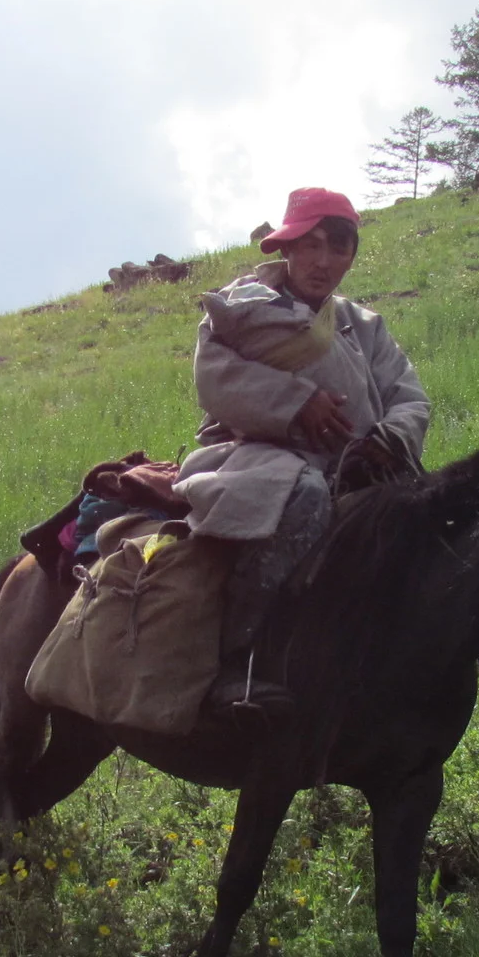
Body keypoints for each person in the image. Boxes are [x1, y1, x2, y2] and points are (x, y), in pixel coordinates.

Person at [177, 187, 430, 714]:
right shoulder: (240, 309)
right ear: (285, 249)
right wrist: (296, 404)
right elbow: (214, 380)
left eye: (338, 247)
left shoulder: (365, 325)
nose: (323, 261)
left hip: (362, 463)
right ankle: (239, 661)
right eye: (310, 245)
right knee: (304, 496)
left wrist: (392, 436)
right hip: (255, 455)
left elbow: (408, 395)